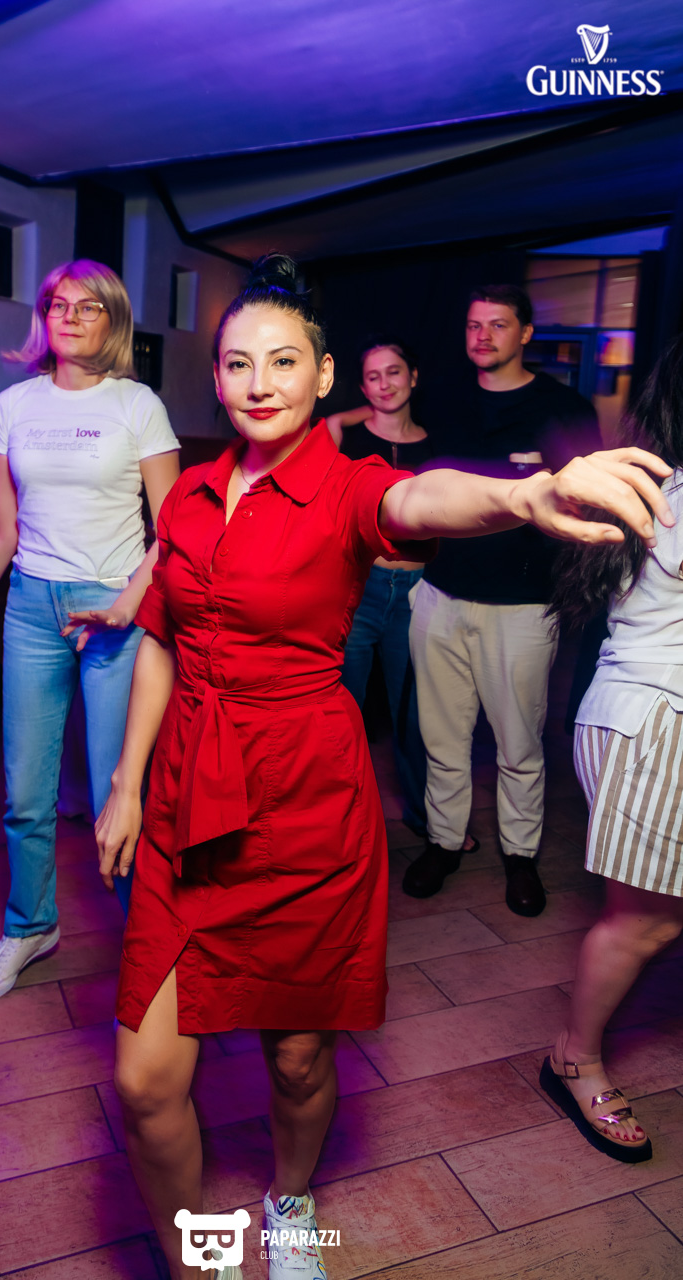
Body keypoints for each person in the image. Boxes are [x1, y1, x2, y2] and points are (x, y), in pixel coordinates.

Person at [93, 254, 672, 1280]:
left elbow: (422, 501)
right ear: (216, 377)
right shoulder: (186, 497)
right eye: (238, 363)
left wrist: (524, 492)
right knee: (144, 1082)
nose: (259, 382)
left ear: (324, 377)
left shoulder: (348, 484)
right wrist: (127, 785)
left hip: (304, 808)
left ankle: (289, 1202)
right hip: (189, 803)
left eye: (284, 361)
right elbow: (160, 641)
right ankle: (192, 1263)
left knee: (297, 1057)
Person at [0, 259, 180, 1002]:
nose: (70, 316)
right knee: (26, 793)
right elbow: (1, 529)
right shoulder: (13, 405)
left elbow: (174, 531)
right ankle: (31, 923)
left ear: (112, 320)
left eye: (88, 306)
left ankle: (146, 946)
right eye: (58, 304)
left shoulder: (138, 405)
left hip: (113, 611)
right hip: (32, 609)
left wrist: (129, 603)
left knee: (115, 792)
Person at [406, 285, 601, 916]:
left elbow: (583, 506)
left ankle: (521, 856)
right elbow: (387, 420)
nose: (483, 336)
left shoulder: (563, 407)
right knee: (442, 738)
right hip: (439, 594)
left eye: (497, 324)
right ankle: (443, 842)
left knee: (518, 745)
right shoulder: (442, 399)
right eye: (473, 325)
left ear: (526, 334)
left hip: (521, 606)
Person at [542, 336, 683, 1163]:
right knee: (642, 923)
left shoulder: (660, 483)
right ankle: (573, 1057)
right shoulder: (674, 495)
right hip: (653, 726)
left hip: (642, 717)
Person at [328, 336, 433, 835]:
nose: (385, 384)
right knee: (340, 708)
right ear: (362, 387)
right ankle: (338, 821)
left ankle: (426, 819)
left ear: (413, 376)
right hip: (358, 589)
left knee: (413, 714)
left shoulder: (437, 443)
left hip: (417, 593)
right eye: (373, 376)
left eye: (394, 372)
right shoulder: (341, 434)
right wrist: (360, 415)